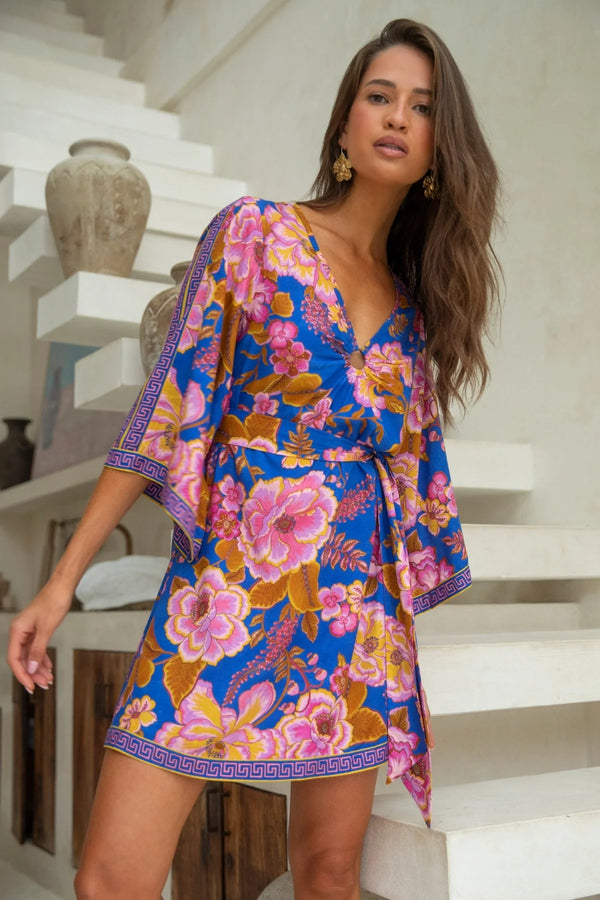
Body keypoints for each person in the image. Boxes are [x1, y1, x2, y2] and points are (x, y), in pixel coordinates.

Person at [8, 18, 499, 900]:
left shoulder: (415, 313)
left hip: (352, 616)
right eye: (378, 96)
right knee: (110, 880)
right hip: (224, 595)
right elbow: (167, 408)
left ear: (436, 149)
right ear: (346, 125)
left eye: (421, 107)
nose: (396, 116)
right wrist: (60, 583)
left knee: (327, 873)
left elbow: (412, 483)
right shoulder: (256, 234)